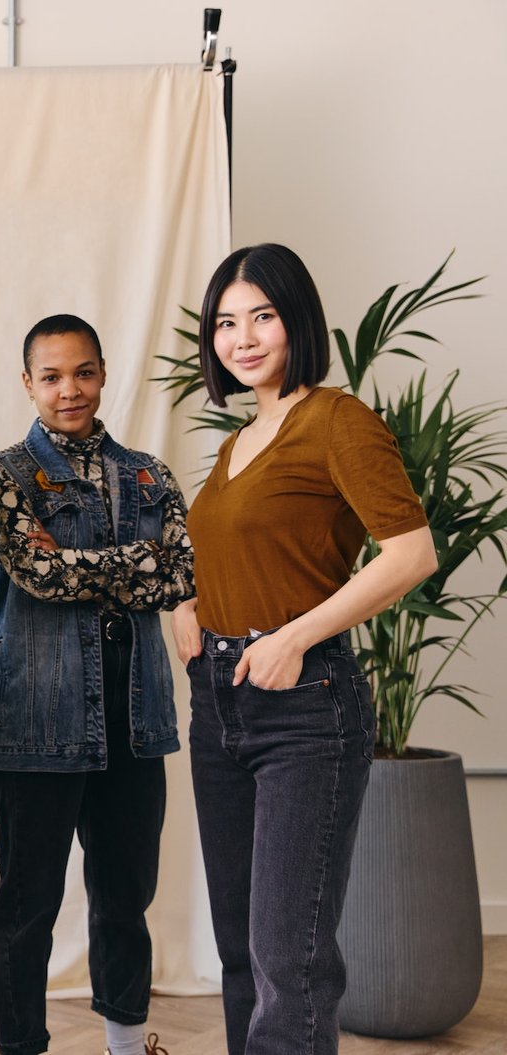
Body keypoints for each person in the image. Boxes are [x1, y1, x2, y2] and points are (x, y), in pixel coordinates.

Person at [174, 243, 436, 1055]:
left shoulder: (337, 420)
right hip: (219, 700)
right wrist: (184, 613)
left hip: (305, 706)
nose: (241, 338)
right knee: (242, 951)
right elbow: (223, 551)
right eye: (225, 321)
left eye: (262, 316)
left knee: (293, 959)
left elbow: (411, 554)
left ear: (297, 321)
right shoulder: (239, 439)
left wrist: (296, 635)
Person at [0, 315, 191, 1055]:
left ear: (103, 372)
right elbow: (37, 575)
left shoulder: (151, 474)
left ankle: (127, 1045)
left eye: (83, 372)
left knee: (126, 897)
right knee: (27, 905)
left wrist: (74, 566)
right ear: (28, 383)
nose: (71, 389)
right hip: (35, 722)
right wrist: (137, 563)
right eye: (53, 376)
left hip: (136, 722)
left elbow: (183, 572)